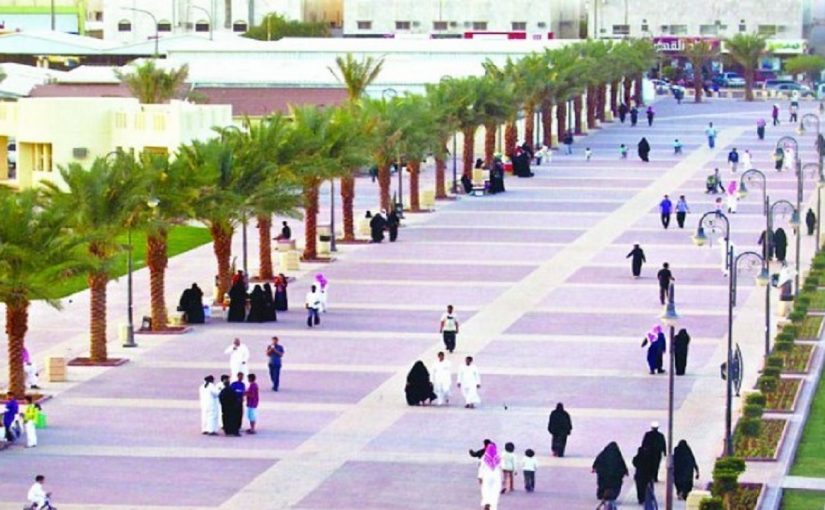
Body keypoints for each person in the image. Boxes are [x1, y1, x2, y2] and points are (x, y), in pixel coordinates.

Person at [478, 442, 503, 510]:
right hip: (496, 476)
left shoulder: (484, 457)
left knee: (486, 489)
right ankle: (493, 506)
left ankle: (487, 502)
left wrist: (480, 477)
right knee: (495, 491)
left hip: (486, 476)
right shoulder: (499, 457)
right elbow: (502, 467)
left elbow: (481, 467)